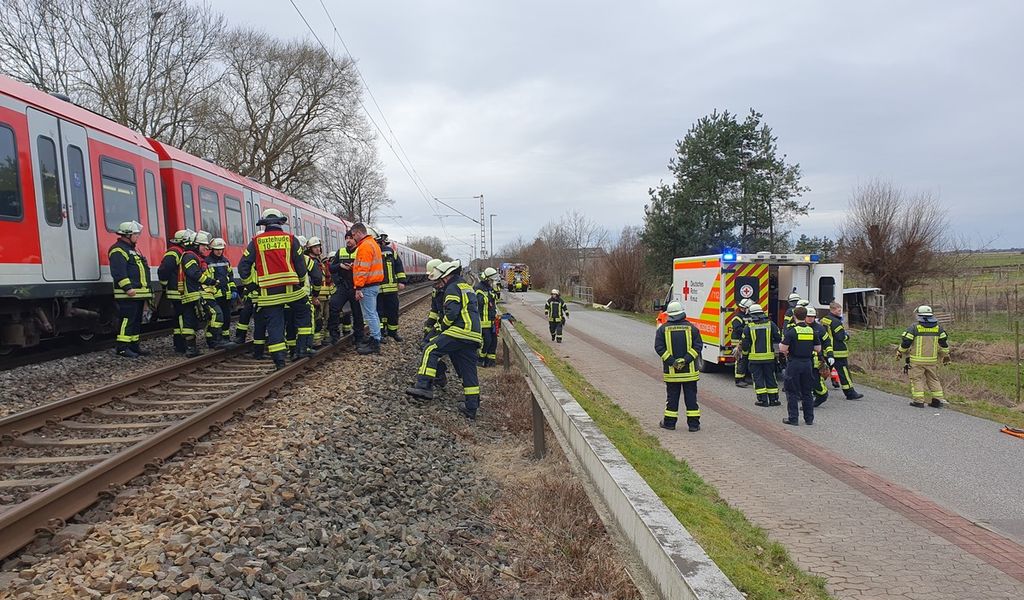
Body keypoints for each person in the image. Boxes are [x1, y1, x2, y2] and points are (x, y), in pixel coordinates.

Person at [405, 260, 483, 419]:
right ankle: (471, 406)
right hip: (474, 334)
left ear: (446, 277)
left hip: (460, 330)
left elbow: (451, 313)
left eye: (438, 281)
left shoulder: (452, 288)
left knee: (431, 349)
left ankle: (424, 386)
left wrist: (438, 330)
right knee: (467, 370)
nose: (437, 285)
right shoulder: (465, 286)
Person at [237, 208, 308, 369]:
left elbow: (243, 267)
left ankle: (279, 360)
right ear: (281, 223)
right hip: (292, 290)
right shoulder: (291, 239)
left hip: (268, 293)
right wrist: (302, 282)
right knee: (304, 312)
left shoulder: (256, 241)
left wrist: (252, 285)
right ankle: (301, 348)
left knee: (274, 324)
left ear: (264, 224)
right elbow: (301, 266)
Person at [654, 301, 703, 432]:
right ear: (682, 313)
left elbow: (659, 348)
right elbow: (698, 346)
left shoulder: (662, 329)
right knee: (691, 398)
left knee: (672, 398)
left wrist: (672, 362)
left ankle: (669, 423)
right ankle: (693, 425)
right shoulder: (692, 328)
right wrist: (686, 360)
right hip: (690, 373)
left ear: (668, 314)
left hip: (672, 372)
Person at [108, 221, 152, 358]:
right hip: (128, 294)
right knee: (127, 320)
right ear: (128, 235)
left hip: (138, 294)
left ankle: (134, 346)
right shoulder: (118, 250)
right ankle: (122, 348)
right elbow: (118, 272)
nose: (138, 236)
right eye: (136, 234)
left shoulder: (132, 250)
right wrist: (127, 288)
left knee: (136, 321)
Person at [897, 305, 951, 408]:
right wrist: (945, 355)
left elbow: (906, 342)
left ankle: (919, 401)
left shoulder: (914, 327)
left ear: (919, 315)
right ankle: (938, 401)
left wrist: (900, 352)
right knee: (933, 379)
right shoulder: (938, 328)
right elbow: (944, 343)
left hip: (916, 361)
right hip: (932, 361)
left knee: (916, 379)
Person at [780, 306, 822, 426]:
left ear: (794, 316)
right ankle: (809, 419)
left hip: (794, 363)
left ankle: (793, 418)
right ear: (805, 316)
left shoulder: (792, 331)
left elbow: (783, 348)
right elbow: (818, 348)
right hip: (808, 363)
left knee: (792, 391)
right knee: (807, 391)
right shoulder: (812, 331)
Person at [350, 223, 385, 354]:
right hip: (373, 284)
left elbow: (363, 269)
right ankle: (375, 338)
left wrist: (358, 287)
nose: (353, 238)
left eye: (354, 235)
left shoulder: (365, 246)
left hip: (367, 286)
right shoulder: (373, 244)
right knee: (373, 314)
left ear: (359, 232)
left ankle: (375, 343)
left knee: (369, 315)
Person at [820, 301, 864, 400]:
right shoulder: (836, 322)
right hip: (838, 351)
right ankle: (850, 393)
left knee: (821, 371)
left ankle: (816, 389)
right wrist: (847, 336)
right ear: (833, 310)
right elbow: (840, 337)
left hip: (826, 350)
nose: (840, 312)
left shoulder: (824, 319)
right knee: (844, 373)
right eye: (838, 310)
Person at [179, 231, 212, 357]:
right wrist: (209, 281)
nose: (205, 249)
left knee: (191, 321)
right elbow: (193, 273)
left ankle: (191, 348)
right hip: (191, 293)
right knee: (190, 321)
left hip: (191, 293)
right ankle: (191, 349)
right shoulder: (189, 256)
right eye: (203, 246)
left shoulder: (191, 256)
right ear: (195, 245)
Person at [327, 230, 364, 345]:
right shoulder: (341, 251)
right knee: (333, 306)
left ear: (355, 239)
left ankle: (359, 338)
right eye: (346, 238)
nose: (348, 240)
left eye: (351, 238)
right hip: (343, 286)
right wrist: (340, 265)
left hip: (356, 286)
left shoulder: (360, 251)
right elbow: (331, 268)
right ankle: (334, 335)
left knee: (357, 312)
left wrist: (354, 267)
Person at [741, 303, 782, 407]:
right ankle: (774, 400)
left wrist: (745, 354)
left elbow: (745, 344)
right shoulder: (771, 324)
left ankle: (762, 400)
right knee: (771, 377)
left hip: (754, 359)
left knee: (758, 379)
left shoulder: (748, 327)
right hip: (769, 358)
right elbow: (778, 338)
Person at [158, 229, 191, 353]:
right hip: (177, 291)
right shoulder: (174, 252)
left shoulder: (181, 252)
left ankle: (180, 344)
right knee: (181, 318)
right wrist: (165, 284)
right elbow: (164, 270)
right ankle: (181, 344)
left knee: (180, 318)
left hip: (180, 291)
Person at [205, 237, 236, 349]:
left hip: (225, 295)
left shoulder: (226, 261)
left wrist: (233, 290)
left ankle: (225, 338)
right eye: (217, 249)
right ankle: (212, 339)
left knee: (227, 317)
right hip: (214, 295)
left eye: (221, 249)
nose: (219, 251)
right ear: (212, 249)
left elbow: (230, 277)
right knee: (216, 318)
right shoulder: (207, 262)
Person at [376, 232, 407, 342]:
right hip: (378, 290)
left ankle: (393, 332)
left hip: (391, 289)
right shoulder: (371, 252)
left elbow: (398, 266)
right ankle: (381, 333)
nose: (383, 243)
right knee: (380, 313)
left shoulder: (390, 252)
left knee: (392, 311)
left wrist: (402, 281)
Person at [308, 237, 334, 347]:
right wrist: (314, 296)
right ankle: (316, 341)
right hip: (317, 296)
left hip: (326, 295)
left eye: (318, 246)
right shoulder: (310, 261)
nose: (318, 249)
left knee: (326, 318)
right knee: (317, 319)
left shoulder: (322, 262)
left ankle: (324, 338)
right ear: (310, 249)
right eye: (315, 247)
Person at [806, 307, 833, 407]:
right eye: (808, 316)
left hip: (817, 359)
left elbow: (827, 342)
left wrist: (830, 355)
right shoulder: (801, 327)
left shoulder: (819, 329)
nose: (810, 319)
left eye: (812, 317)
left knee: (815, 380)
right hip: (804, 358)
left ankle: (822, 394)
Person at [475, 267, 499, 367]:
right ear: (487, 279)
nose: (492, 282)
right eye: (491, 280)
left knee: (494, 342)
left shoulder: (490, 289)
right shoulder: (478, 288)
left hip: (492, 321)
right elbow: (482, 302)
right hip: (482, 322)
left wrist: (496, 290)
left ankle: (490, 362)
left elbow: (495, 301)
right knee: (486, 341)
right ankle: (480, 360)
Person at [731, 298, 754, 387]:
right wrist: (748, 331)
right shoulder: (737, 317)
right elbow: (737, 329)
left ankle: (743, 378)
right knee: (740, 360)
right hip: (738, 341)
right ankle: (738, 379)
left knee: (745, 360)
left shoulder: (748, 315)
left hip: (745, 341)